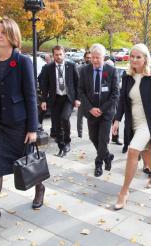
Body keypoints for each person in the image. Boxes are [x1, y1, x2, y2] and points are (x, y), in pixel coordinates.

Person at [0, 17, 44, 235]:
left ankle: (39, 187)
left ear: (12, 37)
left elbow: (31, 96)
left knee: (26, 164)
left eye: (2, 32)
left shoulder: (23, 61)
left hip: (19, 125)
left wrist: (32, 129)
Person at [112, 43, 151, 210]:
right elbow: (123, 101)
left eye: (138, 57)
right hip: (134, 122)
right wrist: (117, 120)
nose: (134, 60)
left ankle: (123, 192)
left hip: (150, 122)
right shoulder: (127, 76)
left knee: (132, 151)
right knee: (146, 153)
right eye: (132, 56)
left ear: (145, 58)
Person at [79, 44, 119, 177]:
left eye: (98, 58)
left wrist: (101, 109)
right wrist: (90, 108)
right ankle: (107, 156)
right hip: (91, 112)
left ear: (104, 57)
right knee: (92, 137)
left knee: (102, 140)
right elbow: (81, 91)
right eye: (93, 58)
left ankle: (98, 163)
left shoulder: (112, 71)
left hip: (106, 112)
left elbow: (115, 94)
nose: (95, 60)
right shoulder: (85, 70)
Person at [40, 45, 80, 157]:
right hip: (55, 98)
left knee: (64, 118)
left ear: (64, 54)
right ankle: (61, 146)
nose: (58, 57)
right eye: (56, 55)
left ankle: (67, 141)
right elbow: (45, 85)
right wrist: (44, 100)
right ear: (53, 55)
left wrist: (77, 99)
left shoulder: (71, 66)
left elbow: (78, 83)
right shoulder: (48, 67)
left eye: (60, 54)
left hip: (68, 98)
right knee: (56, 122)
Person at [77, 50, 92, 138]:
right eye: (87, 58)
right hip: (81, 97)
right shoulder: (79, 68)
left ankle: (91, 134)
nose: (89, 59)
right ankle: (80, 134)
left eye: (90, 57)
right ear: (84, 58)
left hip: (91, 98)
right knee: (80, 117)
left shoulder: (95, 68)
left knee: (91, 118)